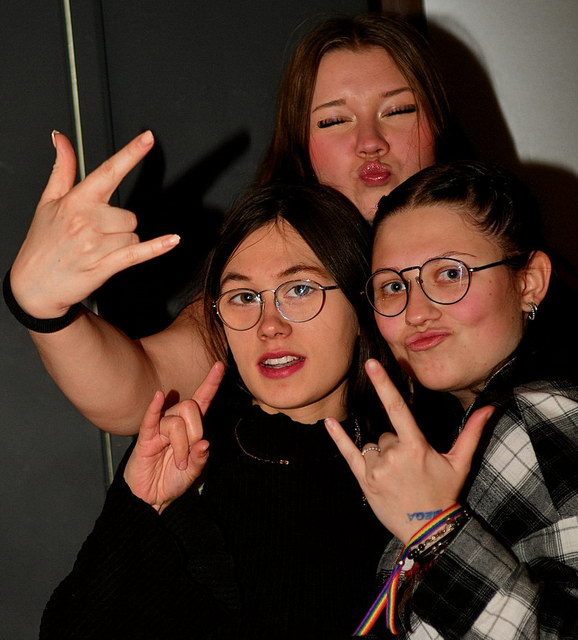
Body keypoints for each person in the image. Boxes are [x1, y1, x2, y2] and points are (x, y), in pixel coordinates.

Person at [4, 14, 449, 434]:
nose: (370, 141)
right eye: (334, 120)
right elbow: (145, 388)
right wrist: (41, 306)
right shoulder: (261, 269)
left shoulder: (485, 243)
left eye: (399, 111)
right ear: (299, 143)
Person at [39, 182, 397, 639]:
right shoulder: (190, 451)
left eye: (300, 289)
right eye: (244, 297)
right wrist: (140, 509)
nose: (269, 325)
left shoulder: (414, 457)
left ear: (362, 301)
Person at [326, 162, 578, 638]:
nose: (416, 311)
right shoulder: (475, 424)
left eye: (449, 274)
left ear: (529, 281)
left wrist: (436, 531)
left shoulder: (549, 413)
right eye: (393, 286)